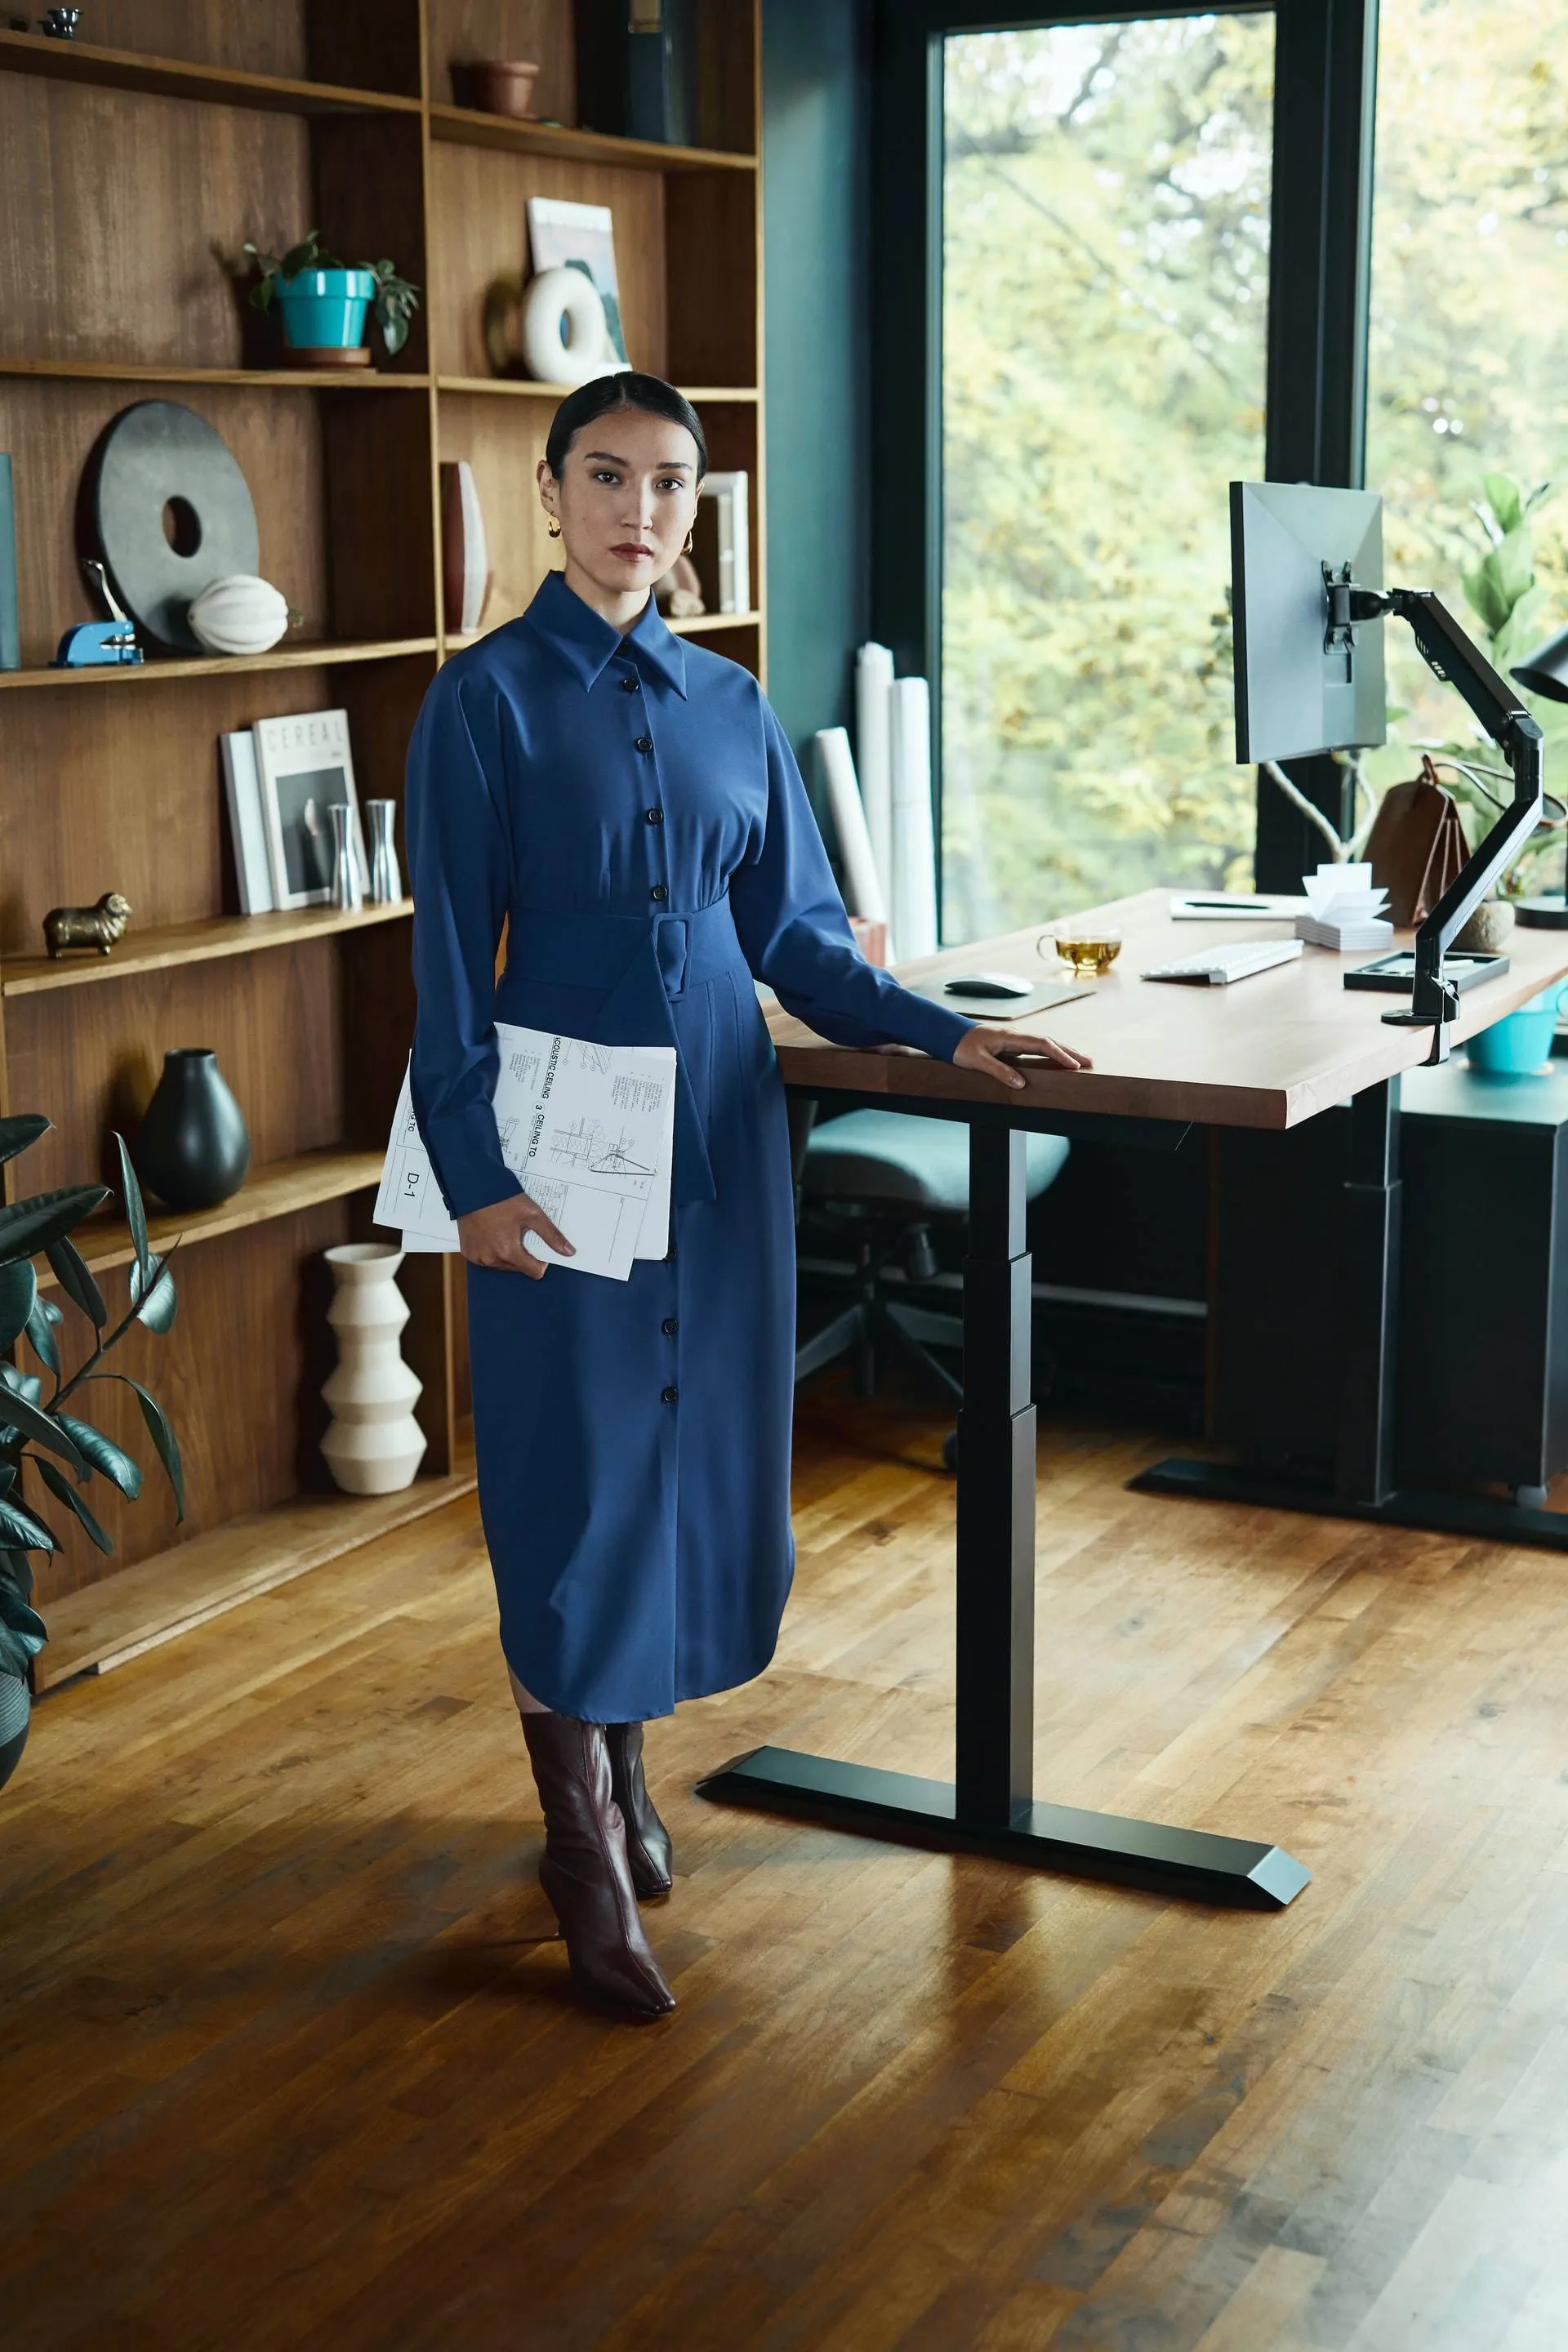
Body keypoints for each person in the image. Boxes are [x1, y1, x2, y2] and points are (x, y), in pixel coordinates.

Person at [405, 373, 1091, 2018]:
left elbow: (793, 937)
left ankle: (629, 1779)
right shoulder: (480, 703)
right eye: (607, 477)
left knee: (680, 1459)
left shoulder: (731, 708)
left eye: (669, 485)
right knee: (571, 1480)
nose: (638, 509)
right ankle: (579, 1843)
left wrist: (950, 1038)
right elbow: (438, 967)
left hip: (716, 1133)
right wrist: (477, 1178)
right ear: (551, 491)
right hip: (559, 1140)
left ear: (692, 512)